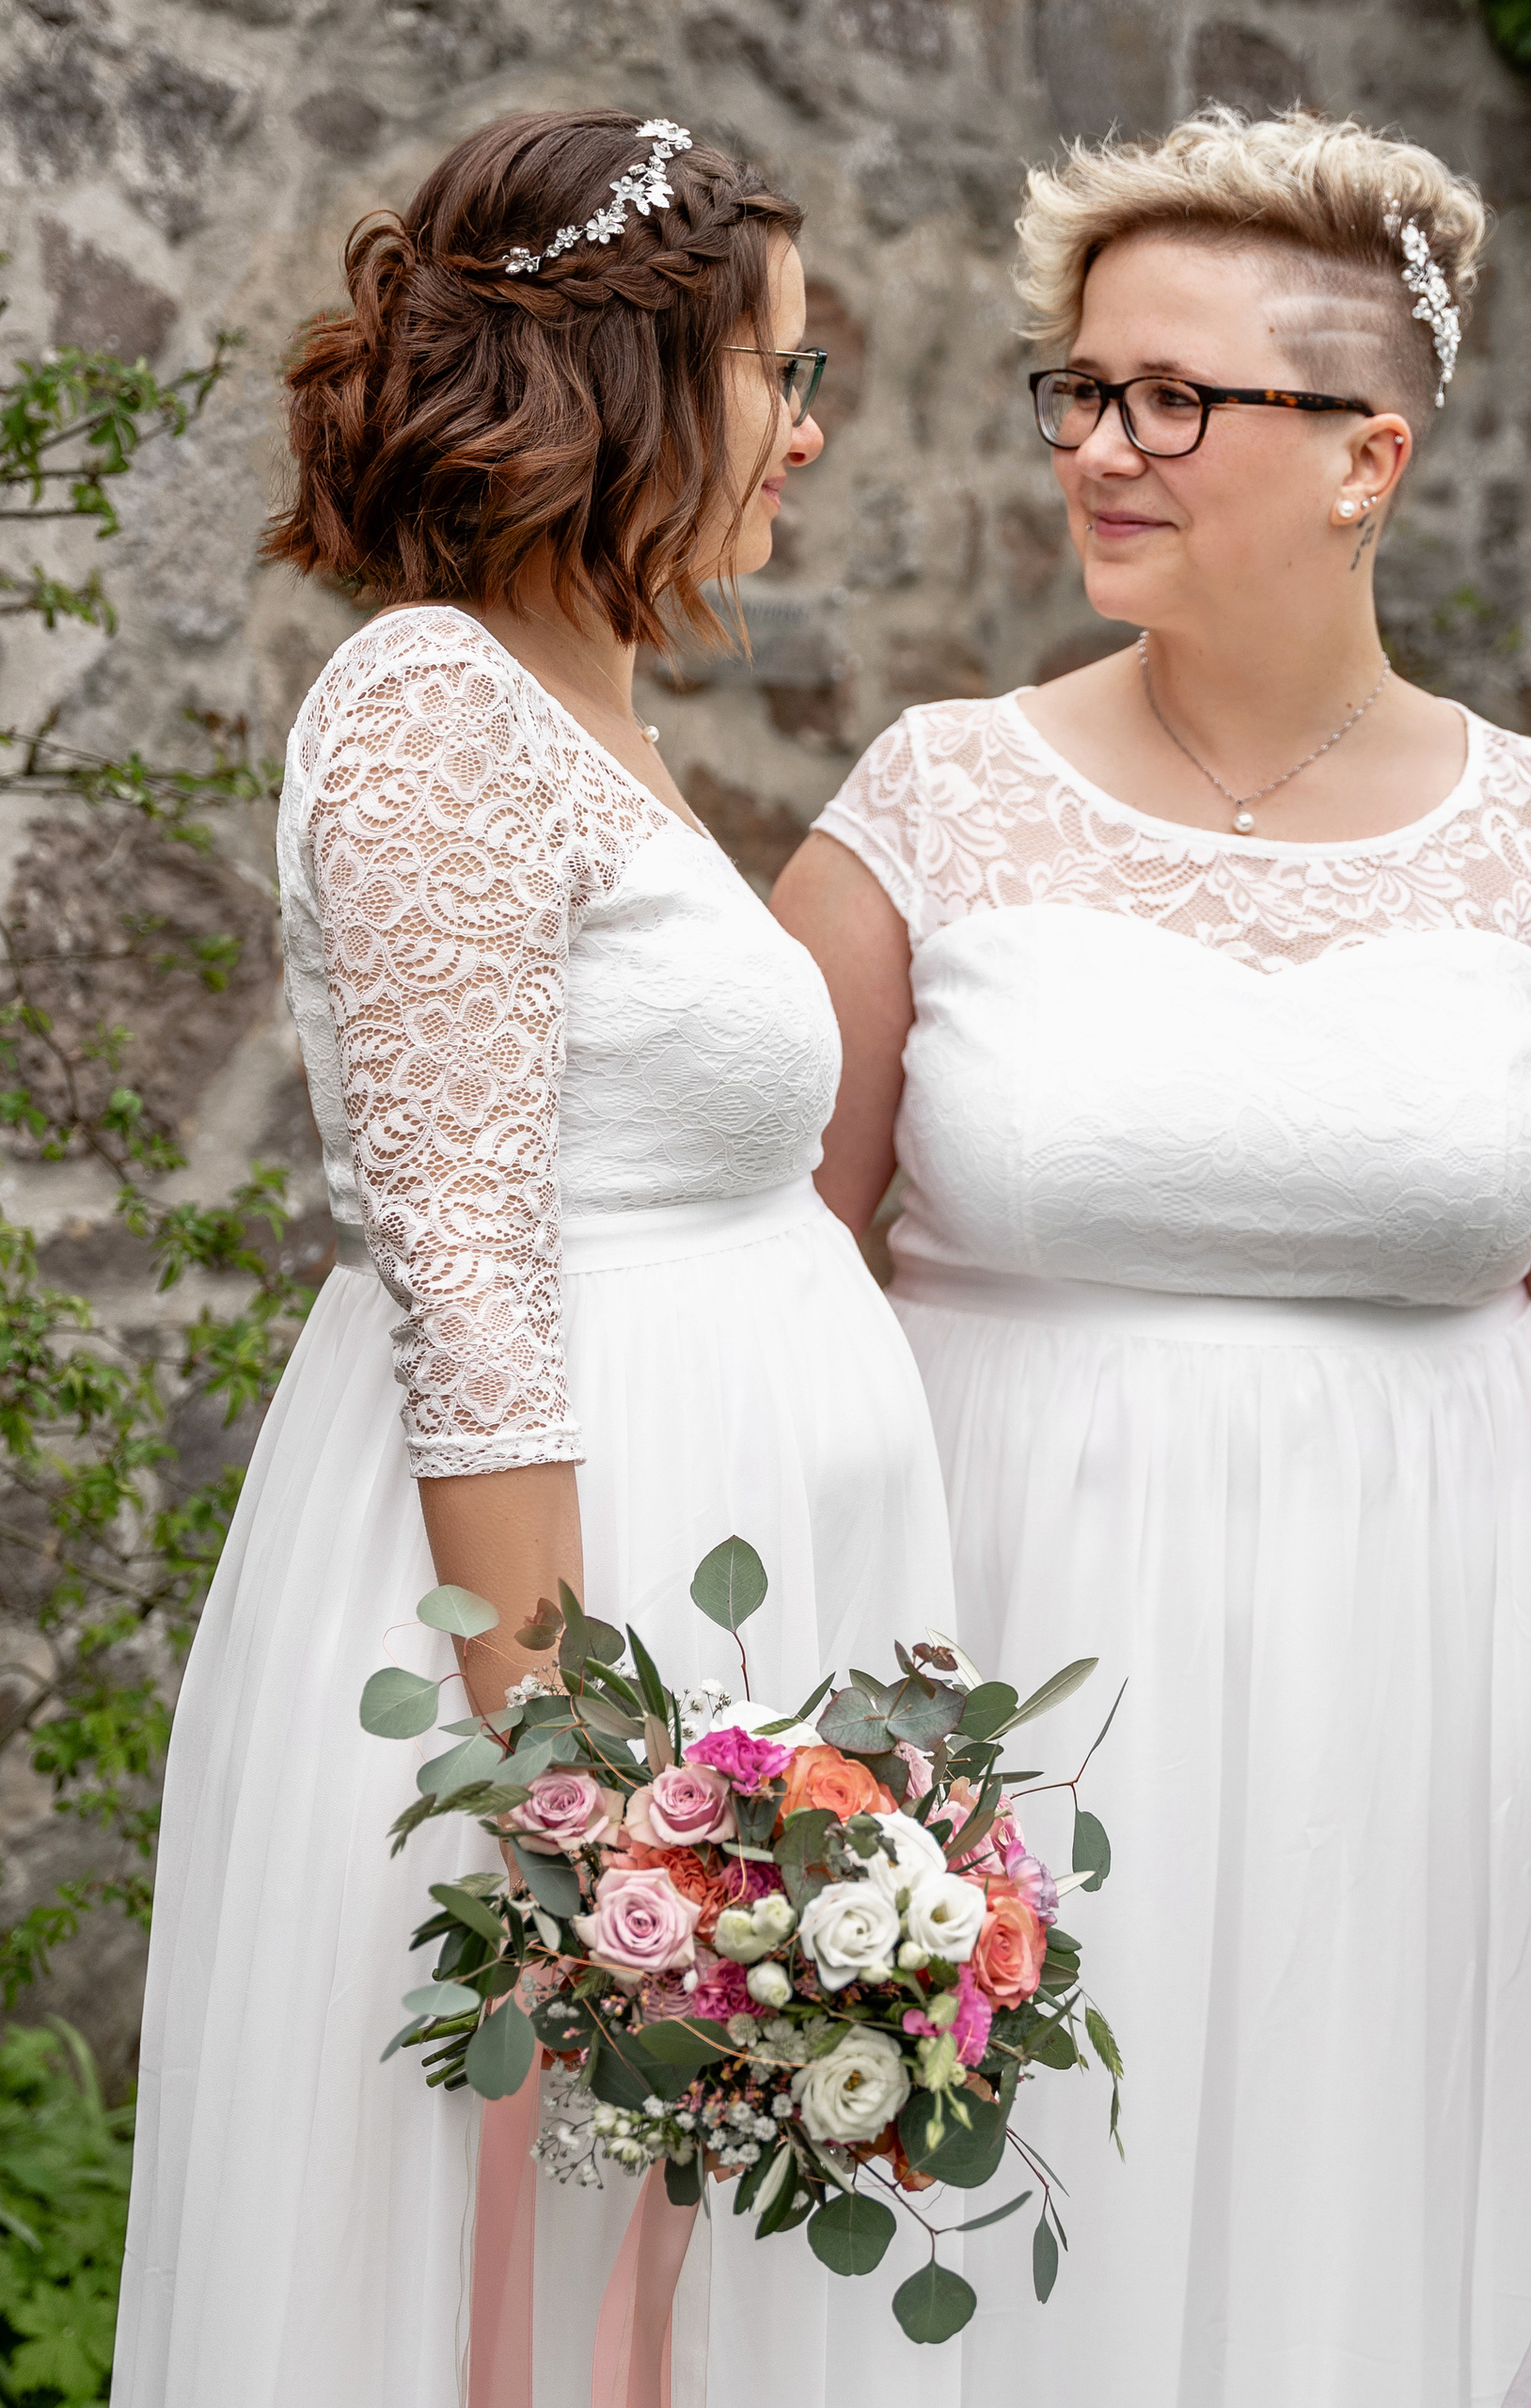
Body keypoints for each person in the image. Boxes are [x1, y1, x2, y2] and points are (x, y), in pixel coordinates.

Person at [775, 105, 1531, 2407]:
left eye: (1174, 399)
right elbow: (780, 1260)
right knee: (987, 2228)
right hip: (999, 1630)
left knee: (1366, 2247)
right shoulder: (926, 803)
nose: (1100, 447)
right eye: (1081, 387)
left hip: (1437, 1674)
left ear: (1368, 453)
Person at [117, 111, 955, 2406]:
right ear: (626, 377)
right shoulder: (426, 715)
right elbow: (467, 1283)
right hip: (566, 1629)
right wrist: (591, 1829)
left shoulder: (588, 707)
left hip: (722, 1582)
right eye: (779, 372)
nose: (805, 430)